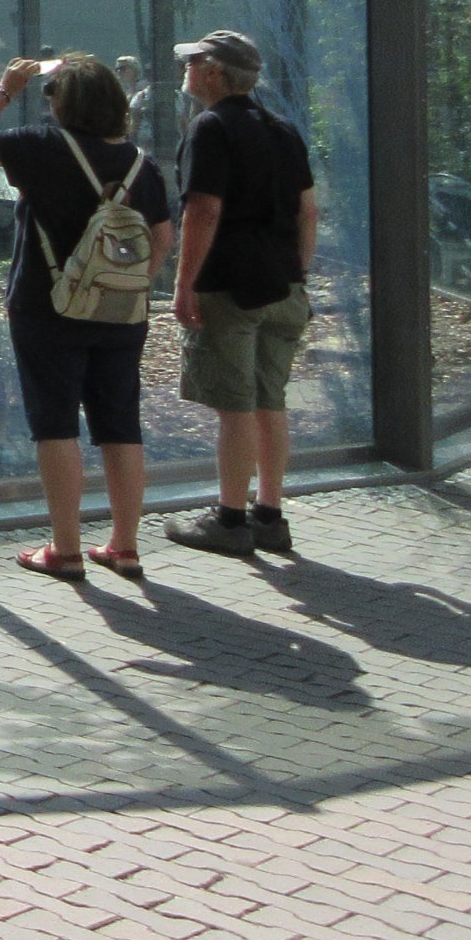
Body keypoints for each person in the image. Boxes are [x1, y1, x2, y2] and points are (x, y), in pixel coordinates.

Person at [0, 55, 174, 581]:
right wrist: (127, 285)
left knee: (55, 425)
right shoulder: (141, 165)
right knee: (120, 425)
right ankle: (124, 546)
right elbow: (162, 239)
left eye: (52, 94)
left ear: (61, 104)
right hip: (123, 312)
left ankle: (66, 549)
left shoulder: (42, 146)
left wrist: (5, 89)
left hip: (46, 306)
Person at [160, 29, 318, 560]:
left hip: (231, 285)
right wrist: (297, 271)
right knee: (270, 401)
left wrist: (185, 284)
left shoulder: (210, 127)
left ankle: (229, 521)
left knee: (235, 407)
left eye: (192, 60)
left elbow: (202, 209)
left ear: (212, 71)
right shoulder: (282, 129)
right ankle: (269, 515)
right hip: (283, 284)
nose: (185, 68)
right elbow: (308, 211)